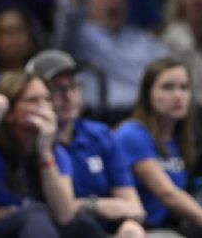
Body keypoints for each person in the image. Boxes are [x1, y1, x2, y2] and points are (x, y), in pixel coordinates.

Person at [26, 49, 147, 237]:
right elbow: (60, 212)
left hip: (103, 231)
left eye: (73, 86)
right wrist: (95, 205)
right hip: (56, 231)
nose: (68, 96)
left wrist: (85, 206)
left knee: (132, 230)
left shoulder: (100, 134)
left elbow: (134, 207)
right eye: (57, 89)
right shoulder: (29, 141)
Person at [0, 70, 105, 238]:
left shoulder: (56, 152)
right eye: (33, 101)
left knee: (84, 227)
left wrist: (45, 151)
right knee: (34, 214)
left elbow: (64, 214)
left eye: (47, 99)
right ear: (9, 114)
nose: (44, 107)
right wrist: (7, 212)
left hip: (39, 228)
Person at [115, 58, 202, 237]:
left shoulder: (185, 140)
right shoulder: (132, 134)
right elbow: (167, 193)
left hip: (176, 227)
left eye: (184, 88)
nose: (178, 95)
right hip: (142, 229)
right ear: (148, 94)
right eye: (167, 87)